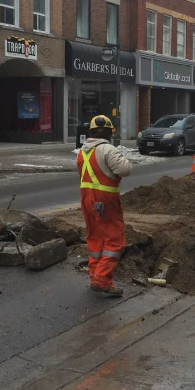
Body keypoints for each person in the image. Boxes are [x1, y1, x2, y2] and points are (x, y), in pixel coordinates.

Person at [77, 115, 133, 297]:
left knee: (95, 240)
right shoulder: (107, 149)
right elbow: (124, 169)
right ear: (109, 133)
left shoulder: (83, 151)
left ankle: (96, 276)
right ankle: (101, 280)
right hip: (105, 201)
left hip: (87, 201)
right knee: (114, 241)